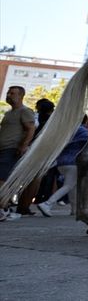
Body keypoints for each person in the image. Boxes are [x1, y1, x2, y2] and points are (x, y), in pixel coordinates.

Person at [36, 115, 88, 217]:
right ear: (84, 121)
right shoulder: (82, 130)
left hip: (61, 162)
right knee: (69, 185)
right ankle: (47, 204)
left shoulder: (65, 130)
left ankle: (75, 209)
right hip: (73, 162)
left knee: (72, 185)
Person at [1, 86, 37, 218]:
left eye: (12, 93)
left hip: (11, 149)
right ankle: (4, 208)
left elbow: (30, 129)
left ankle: (3, 209)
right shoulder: (8, 113)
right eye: (8, 93)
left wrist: (23, 146)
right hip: (3, 148)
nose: (9, 95)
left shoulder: (25, 111)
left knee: (2, 179)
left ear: (21, 96)